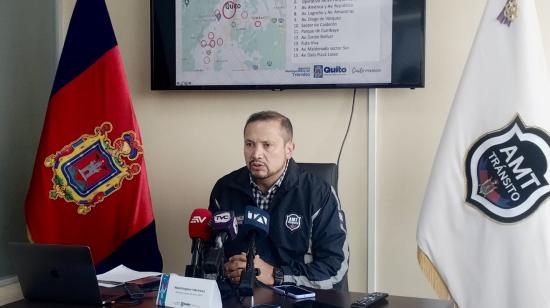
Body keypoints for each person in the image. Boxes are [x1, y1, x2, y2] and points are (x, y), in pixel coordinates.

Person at [209, 111, 349, 290]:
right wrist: (225, 269)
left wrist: (275, 274)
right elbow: (209, 254)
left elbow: (334, 267)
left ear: (288, 149)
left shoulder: (318, 193)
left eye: (267, 145)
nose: (256, 154)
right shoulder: (225, 189)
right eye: (249, 144)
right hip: (238, 298)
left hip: (296, 299)